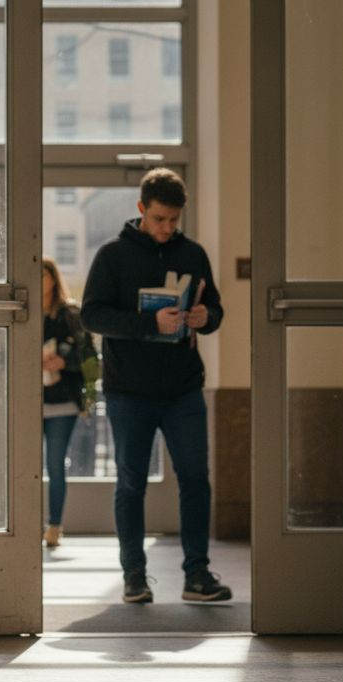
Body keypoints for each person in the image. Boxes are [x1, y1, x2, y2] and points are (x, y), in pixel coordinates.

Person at [81, 168, 230, 603]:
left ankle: (197, 574)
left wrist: (208, 318)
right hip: (129, 391)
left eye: (174, 220)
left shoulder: (194, 253)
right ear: (142, 209)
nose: (167, 229)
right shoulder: (112, 256)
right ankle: (134, 576)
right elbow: (92, 315)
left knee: (196, 480)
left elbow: (215, 307)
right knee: (131, 483)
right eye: (160, 218)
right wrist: (149, 323)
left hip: (184, 387)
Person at [40, 258, 89, 549]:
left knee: (55, 464)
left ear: (54, 279)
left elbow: (88, 355)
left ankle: (54, 525)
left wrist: (64, 361)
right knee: (26, 466)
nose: (41, 282)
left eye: (45, 276)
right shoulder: (27, 311)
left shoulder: (70, 314)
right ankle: (26, 522)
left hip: (62, 401)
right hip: (28, 400)